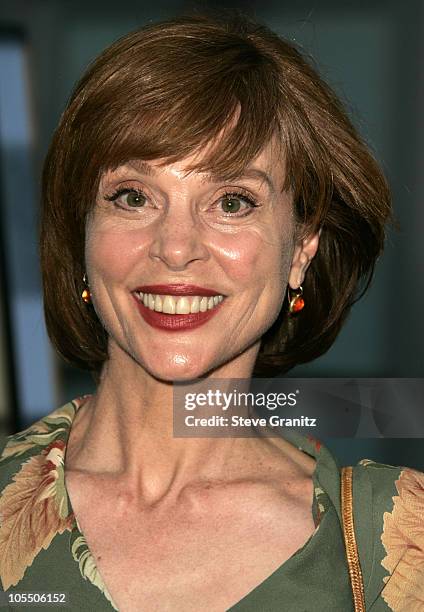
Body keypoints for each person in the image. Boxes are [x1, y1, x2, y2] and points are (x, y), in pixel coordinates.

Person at [0, 12, 423, 612]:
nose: (175, 247)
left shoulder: (401, 544)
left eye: (231, 201)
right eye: (133, 196)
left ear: (301, 249)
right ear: (83, 237)